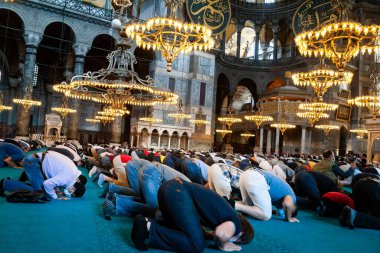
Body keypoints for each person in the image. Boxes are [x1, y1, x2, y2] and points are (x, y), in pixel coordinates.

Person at [131, 178, 254, 252]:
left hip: (170, 189)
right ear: (241, 234)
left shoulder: (224, 213)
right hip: (178, 193)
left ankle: (147, 222)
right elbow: (221, 234)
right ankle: (147, 227)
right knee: (196, 245)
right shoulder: (237, 226)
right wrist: (224, 245)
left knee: (185, 231)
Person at [0, 151, 86, 199]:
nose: (70, 194)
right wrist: (55, 196)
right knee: (38, 192)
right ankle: (5, 184)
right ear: (74, 188)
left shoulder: (73, 172)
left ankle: (13, 181)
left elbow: (55, 175)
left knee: (41, 188)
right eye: (72, 194)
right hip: (33, 162)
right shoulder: (67, 178)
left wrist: (55, 189)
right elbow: (47, 184)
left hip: (38, 160)